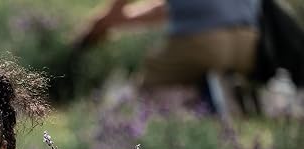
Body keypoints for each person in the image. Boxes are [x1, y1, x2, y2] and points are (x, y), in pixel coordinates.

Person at [81, 0, 261, 89]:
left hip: (204, 42)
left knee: (145, 88)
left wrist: (101, 23)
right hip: (249, 45)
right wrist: (120, 21)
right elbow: (168, 9)